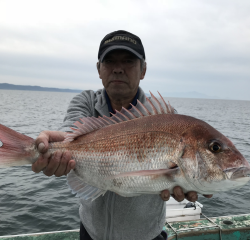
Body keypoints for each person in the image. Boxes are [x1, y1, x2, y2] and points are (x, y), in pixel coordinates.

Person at [32, 30, 212, 240]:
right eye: (109, 61)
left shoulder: (165, 119)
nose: (118, 69)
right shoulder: (85, 102)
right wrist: (53, 149)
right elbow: (70, 135)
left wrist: (189, 181)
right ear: (99, 69)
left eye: (128, 61)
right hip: (91, 233)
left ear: (143, 70)